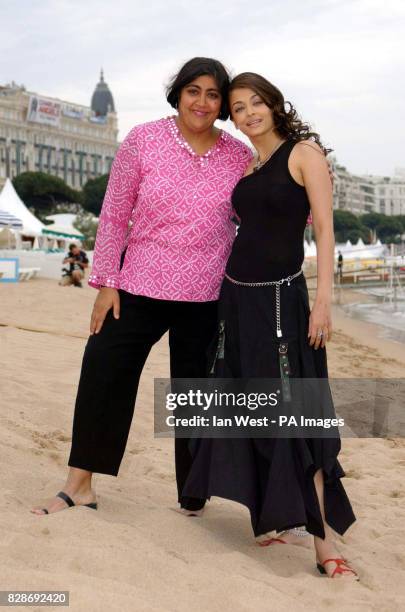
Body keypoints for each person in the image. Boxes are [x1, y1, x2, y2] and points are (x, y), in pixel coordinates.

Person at [31, 57, 252, 517]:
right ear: (178, 94)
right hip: (137, 284)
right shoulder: (143, 140)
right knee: (103, 373)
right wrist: (106, 281)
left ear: (222, 104)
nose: (203, 102)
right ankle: (80, 485)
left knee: (195, 393)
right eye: (194, 91)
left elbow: (267, 211)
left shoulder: (237, 155)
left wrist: (311, 178)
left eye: (214, 94)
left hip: (207, 292)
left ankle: (193, 496)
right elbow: (114, 213)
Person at [182, 73, 358, 579]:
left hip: (284, 301)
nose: (249, 113)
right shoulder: (247, 163)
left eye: (256, 102)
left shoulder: (304, 154)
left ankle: (325, 549)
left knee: (301, 416)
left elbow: (324, 231)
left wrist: (323, 301)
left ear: (275, 105)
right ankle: (271, 516)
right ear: (231, 118)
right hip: (236, 299)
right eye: (237, 107)